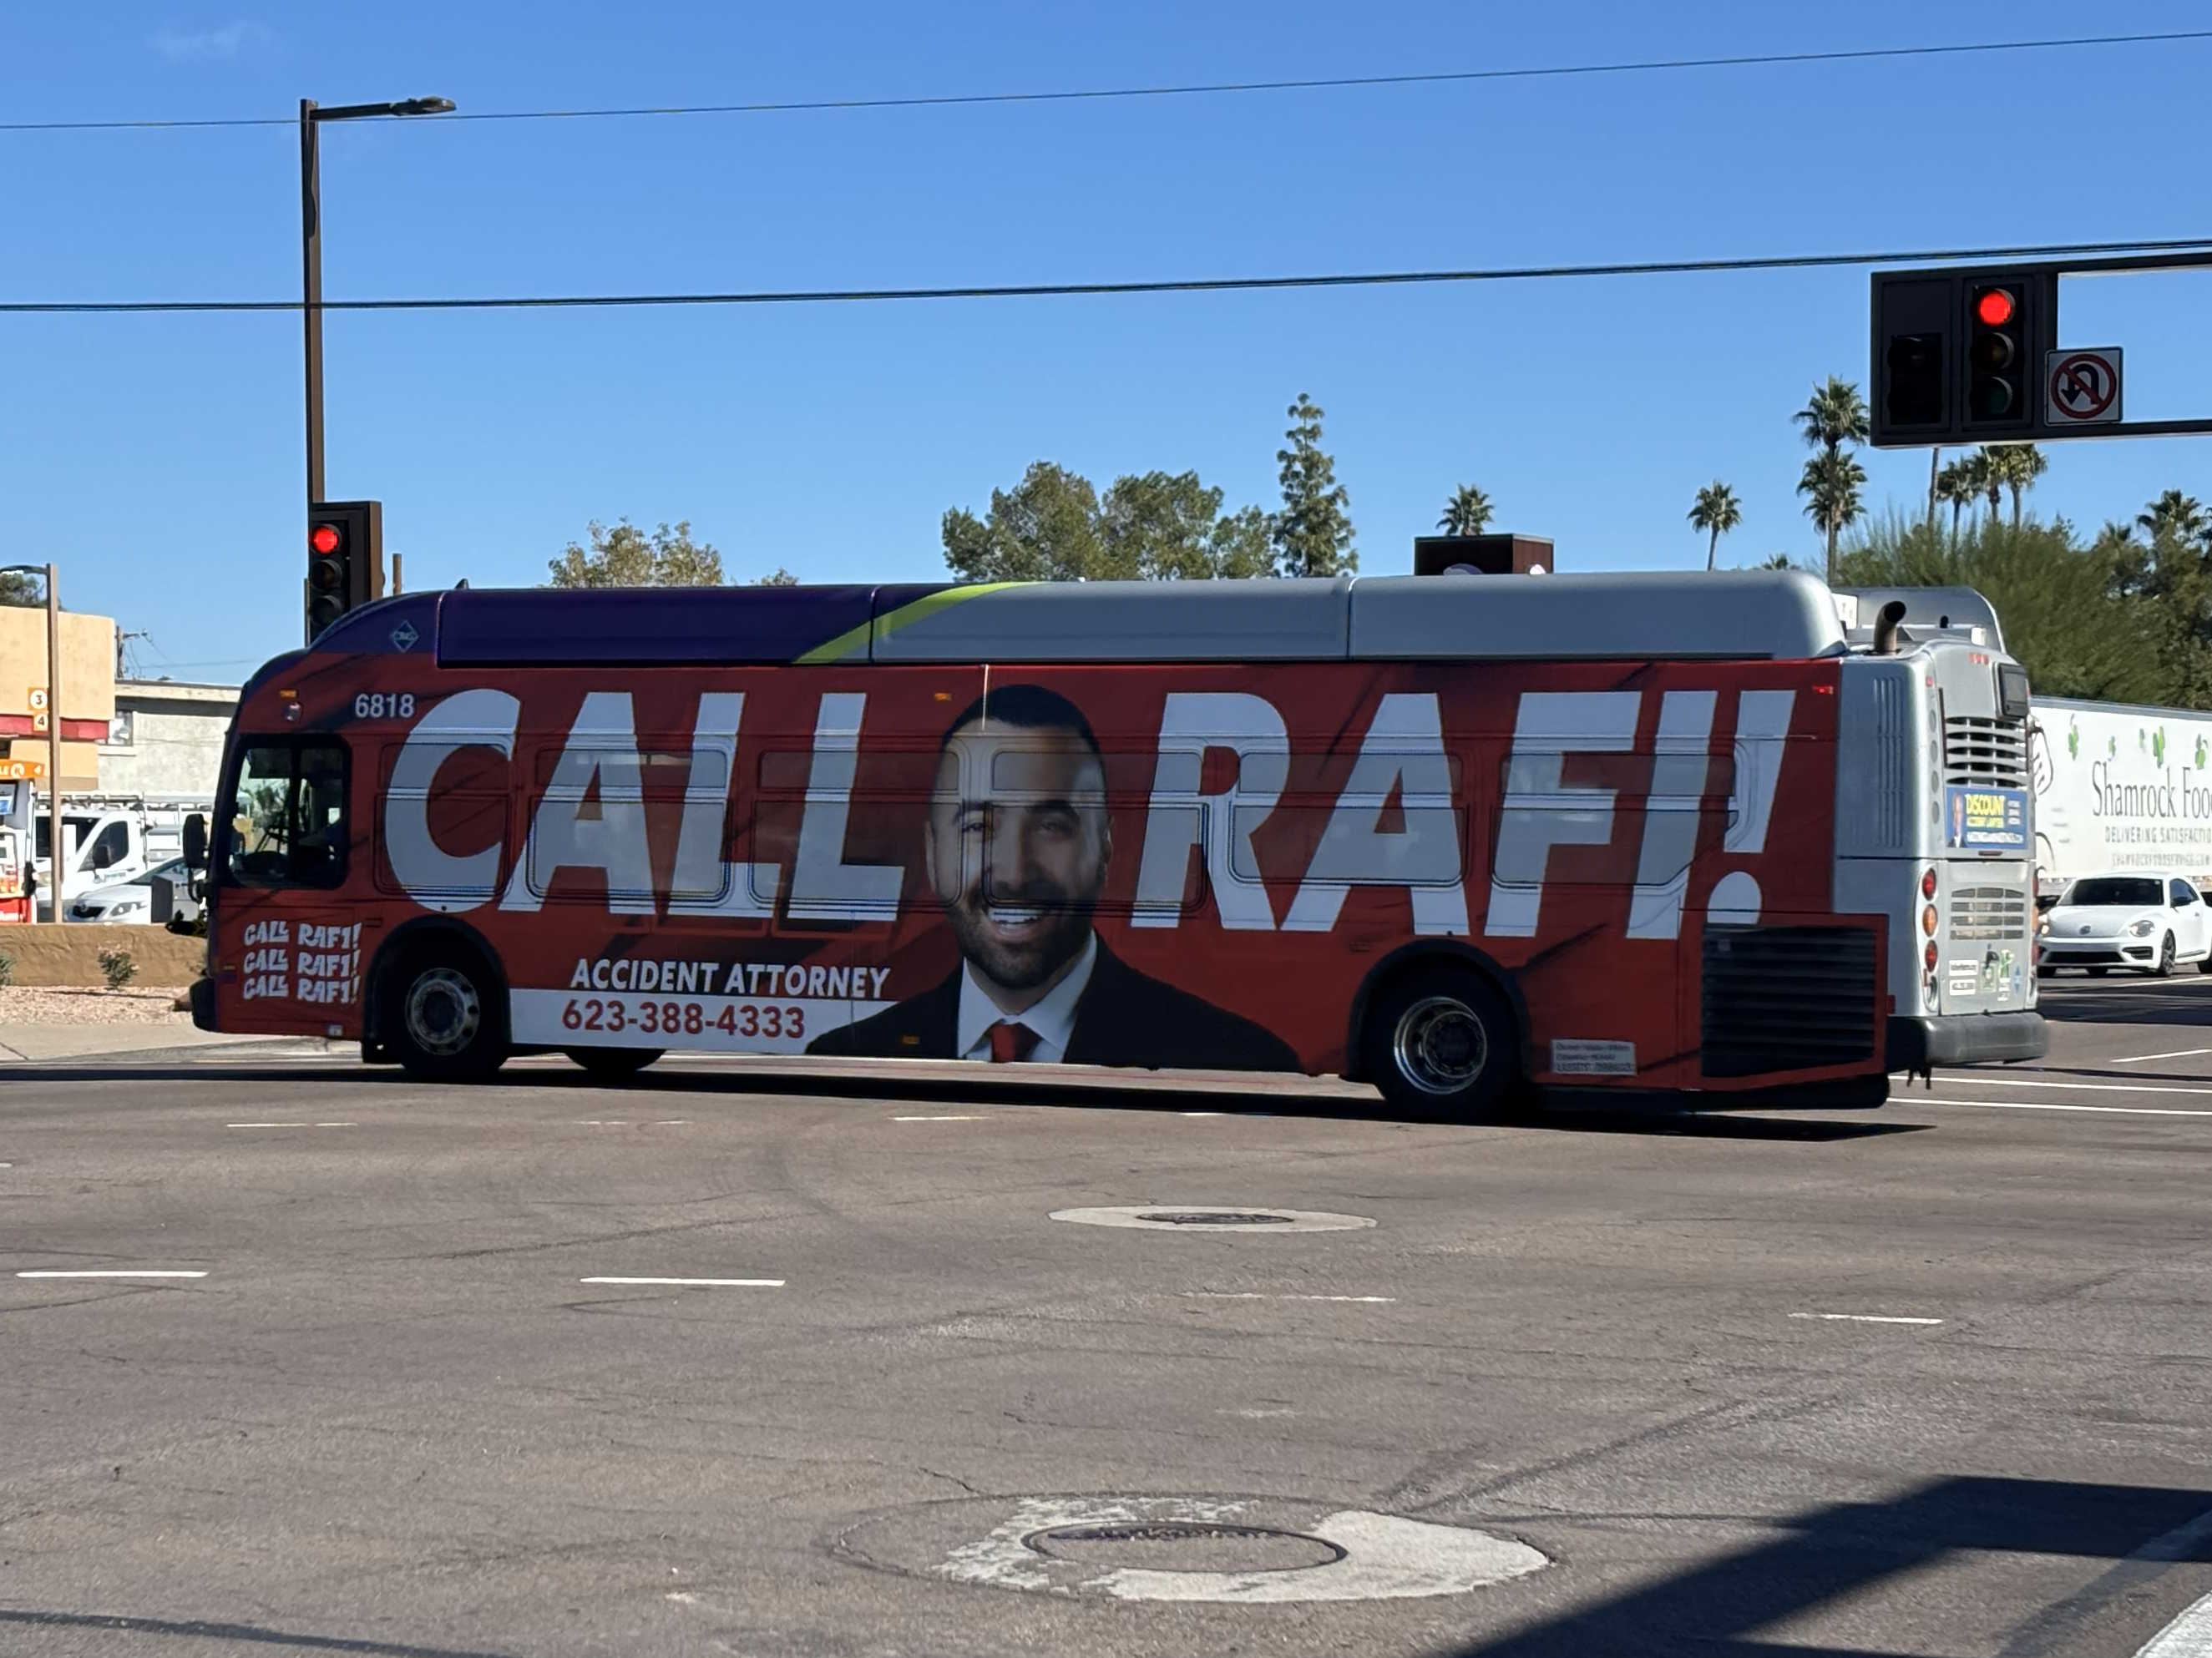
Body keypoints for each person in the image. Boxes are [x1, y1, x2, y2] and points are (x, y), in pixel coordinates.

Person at [807, 683, 1298, 1072]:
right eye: (978, 827)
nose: (1015, 874)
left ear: (1105, 846)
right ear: (933, 854)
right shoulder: (844, 1055)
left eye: (1051, 827)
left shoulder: (1236, 1055)